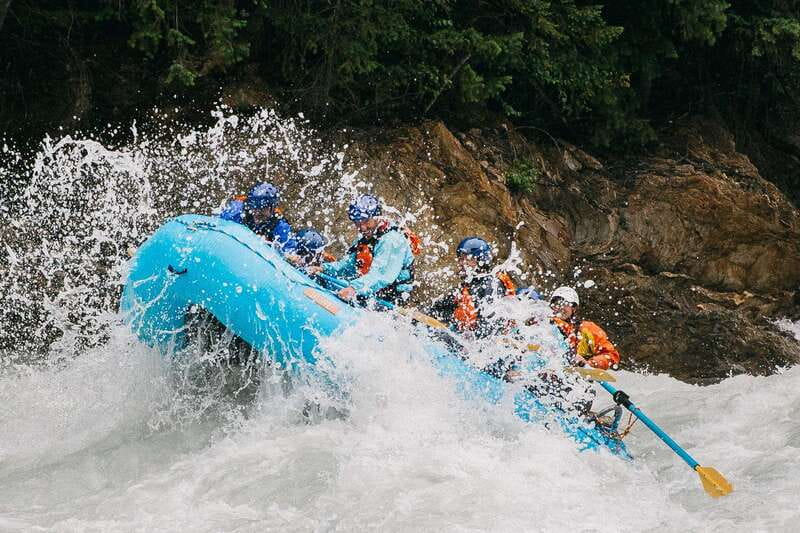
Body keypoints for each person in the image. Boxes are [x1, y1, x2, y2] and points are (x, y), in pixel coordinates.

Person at [307, 194, 420, 304]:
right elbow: (347, 265)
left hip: (390, 301)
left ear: (376, 217)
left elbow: (381, 275)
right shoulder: (367, 237)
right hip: (370, 292)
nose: (362, 227)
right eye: (357, 222)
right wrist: (323, 269)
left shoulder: (391, 240)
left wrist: (353, 288)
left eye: (366, 221)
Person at [428, 237, 516, 338]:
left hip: (490, 341)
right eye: (460, 259)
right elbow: (438, 308)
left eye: (467, 259)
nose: (461, 263)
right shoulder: (468, 286)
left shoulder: (491, 286)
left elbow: (489, 328)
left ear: (481, 261)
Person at [548, 286, 620, 370]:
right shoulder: (544, 325)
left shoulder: (588, 329)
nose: (560, 307)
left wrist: (589, 363)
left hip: (574, 372)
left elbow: (611, 355)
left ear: (573, 308)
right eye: (557, 304)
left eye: (565, 304)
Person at [220, 182, 293, 249]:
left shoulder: (280, 227)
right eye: (254, 206)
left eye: (263, 207)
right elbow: (218, 224)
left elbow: (290, 252)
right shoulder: (236, 211)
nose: (257, 212)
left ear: (273, 208)